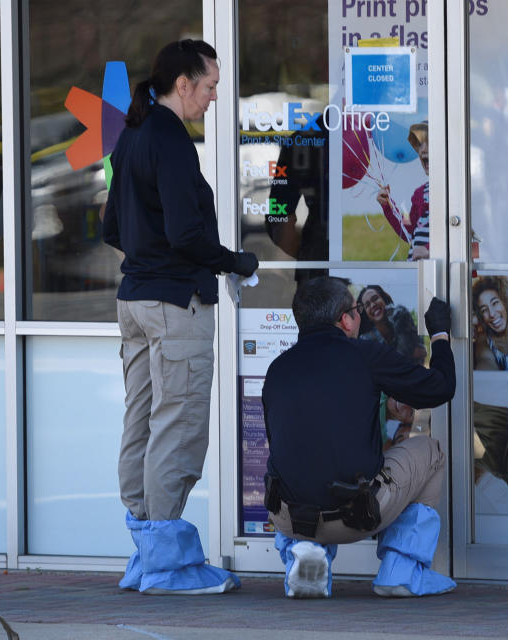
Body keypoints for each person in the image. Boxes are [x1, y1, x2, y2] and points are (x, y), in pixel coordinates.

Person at [102, 39, 257, 595]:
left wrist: (148, 260)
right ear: (183, 83)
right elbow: (187, 235)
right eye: (211, 85)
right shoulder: (169, 139)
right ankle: (166, 565)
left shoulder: (133, 135)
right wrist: (236, 261)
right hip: (173, 306)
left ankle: (145, 554)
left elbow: (110, 230)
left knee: (142, 421)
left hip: (135, 302)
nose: (215, 96)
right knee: (179, 426)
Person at [261, 276, 456, 598]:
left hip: (290, 518)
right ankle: (401, 572)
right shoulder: (365, 355)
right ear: (345, 319)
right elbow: (440, 388)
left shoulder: (277, 368)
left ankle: (310, 553)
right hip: (356, 513)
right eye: (357, 309)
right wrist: (439, 333)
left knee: (298, 465)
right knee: (430, 450)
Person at [376, 122, 430, 261]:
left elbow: (458, 235)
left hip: (438, 271)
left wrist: (429, 249)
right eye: (419, 144)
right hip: (415, 270)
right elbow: (409, 229)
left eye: (429, 143)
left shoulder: (455, 192)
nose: (423, 150)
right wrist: (388, 206)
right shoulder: (420, 193)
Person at [357, 284, 426, 365]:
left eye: (375, 299)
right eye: (367, 305)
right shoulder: (367, 340)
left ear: (384, 301)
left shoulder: (401, 316)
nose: (373, 305)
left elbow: (417, 353)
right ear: (367, 315)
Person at [472, 277, 508, 370]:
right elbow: (485, 360)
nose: (491, 314)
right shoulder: (484, 341)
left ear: (504, 303)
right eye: (484, 310)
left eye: (495, 303)